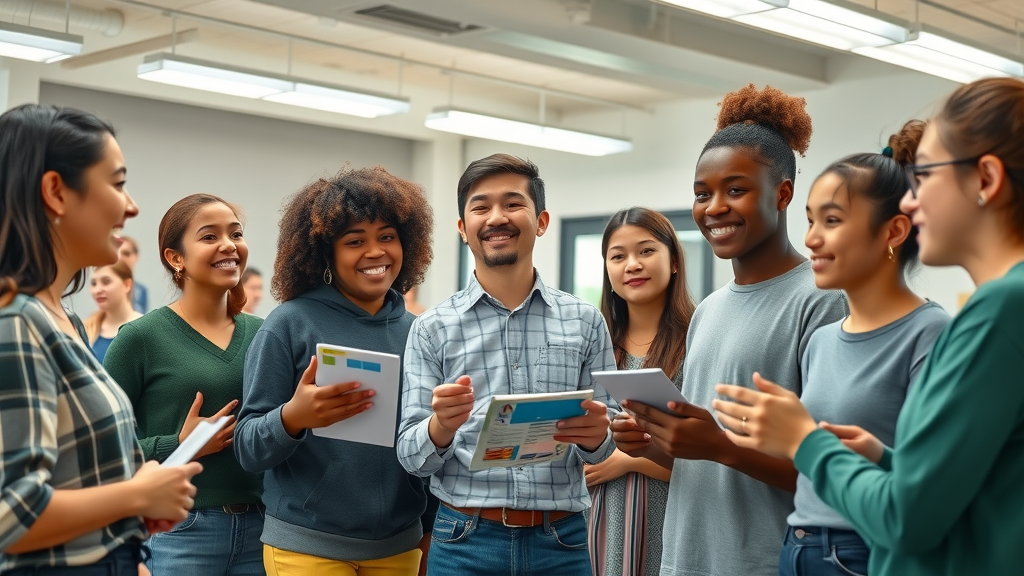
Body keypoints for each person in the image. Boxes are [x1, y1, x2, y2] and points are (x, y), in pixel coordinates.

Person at [712, 77, 1024, 576]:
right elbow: (968, 490)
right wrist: (882, 459)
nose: (911, 200)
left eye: (925, 176)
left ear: (985, 180)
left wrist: (805, 440)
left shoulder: (999, 310)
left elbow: (909, 519)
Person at [611, 85, 847, 576]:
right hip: (686, 559)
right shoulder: (710, 310)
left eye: (735, 190)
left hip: (762, 561)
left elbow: (833, 470)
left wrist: (718, 445)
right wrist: (654, 439)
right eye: (702, 194)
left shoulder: (823, 300)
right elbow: (705, 463)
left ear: (782, 194)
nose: (714, 207)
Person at [707, 121, 949, 575]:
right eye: (812, 220)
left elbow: (932, 490)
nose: (813, 238)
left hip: (864, 549)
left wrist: (802, 437)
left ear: (894, 232)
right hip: (798, 545)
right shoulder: (822, 340)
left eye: (832, 221)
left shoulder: (931, 334)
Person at [0, 104, 201, 574]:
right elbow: (13, 514)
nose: (130, 206)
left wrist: (128, 511)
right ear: (55, 191)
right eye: (117, 183)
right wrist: (136, 493)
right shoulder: (16, 321)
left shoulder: (60, 318)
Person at [397, 153, 617, 576]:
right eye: (480, 207)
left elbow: (608, 441)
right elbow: (411, 457)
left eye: (513, 204)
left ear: (542, 221)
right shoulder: (431, 327)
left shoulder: (584, 320)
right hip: (464, 541)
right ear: (463, 228)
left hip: (562, 543)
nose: (496, 217)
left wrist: (597, 436)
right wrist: (440, 427)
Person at [234, 166, 437, 576]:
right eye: (354, 241)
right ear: (326, 253)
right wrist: (292, 419)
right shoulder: (289, 324)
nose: (375, 251)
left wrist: (429, 529)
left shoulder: (421, 332)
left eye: (387, 237)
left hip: (400, 546)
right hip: (307, 547)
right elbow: (247, 448)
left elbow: (428, 441)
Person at [104, 194, 265, 576]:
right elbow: (103, 449)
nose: (229, 244)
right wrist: (181, 445)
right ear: (175, 257)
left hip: (262, 528)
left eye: (236, 234)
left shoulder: (265, 334)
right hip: (180, 530)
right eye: (210, 237)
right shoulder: (140, 338)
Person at [586, 207, 696, 576]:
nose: (632, 265)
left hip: (672, 518)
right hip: (595, 517)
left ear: (674, 261)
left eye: (646, 251)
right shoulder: (595, 344)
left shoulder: (698, 342)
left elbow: (714, 457)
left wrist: (628, 460)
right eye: (618, 256)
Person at [84, 260, 142, 362]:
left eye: (106, 281)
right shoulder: (86, 329)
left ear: (127, 285)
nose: (98, 290)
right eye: (93, 283)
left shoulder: (144, 329)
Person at [118, 235, 149, 313]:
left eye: (126, 253)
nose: (121, 258)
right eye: (117, 254)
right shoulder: (108, 287)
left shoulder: (141, 291)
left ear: (136, 256)